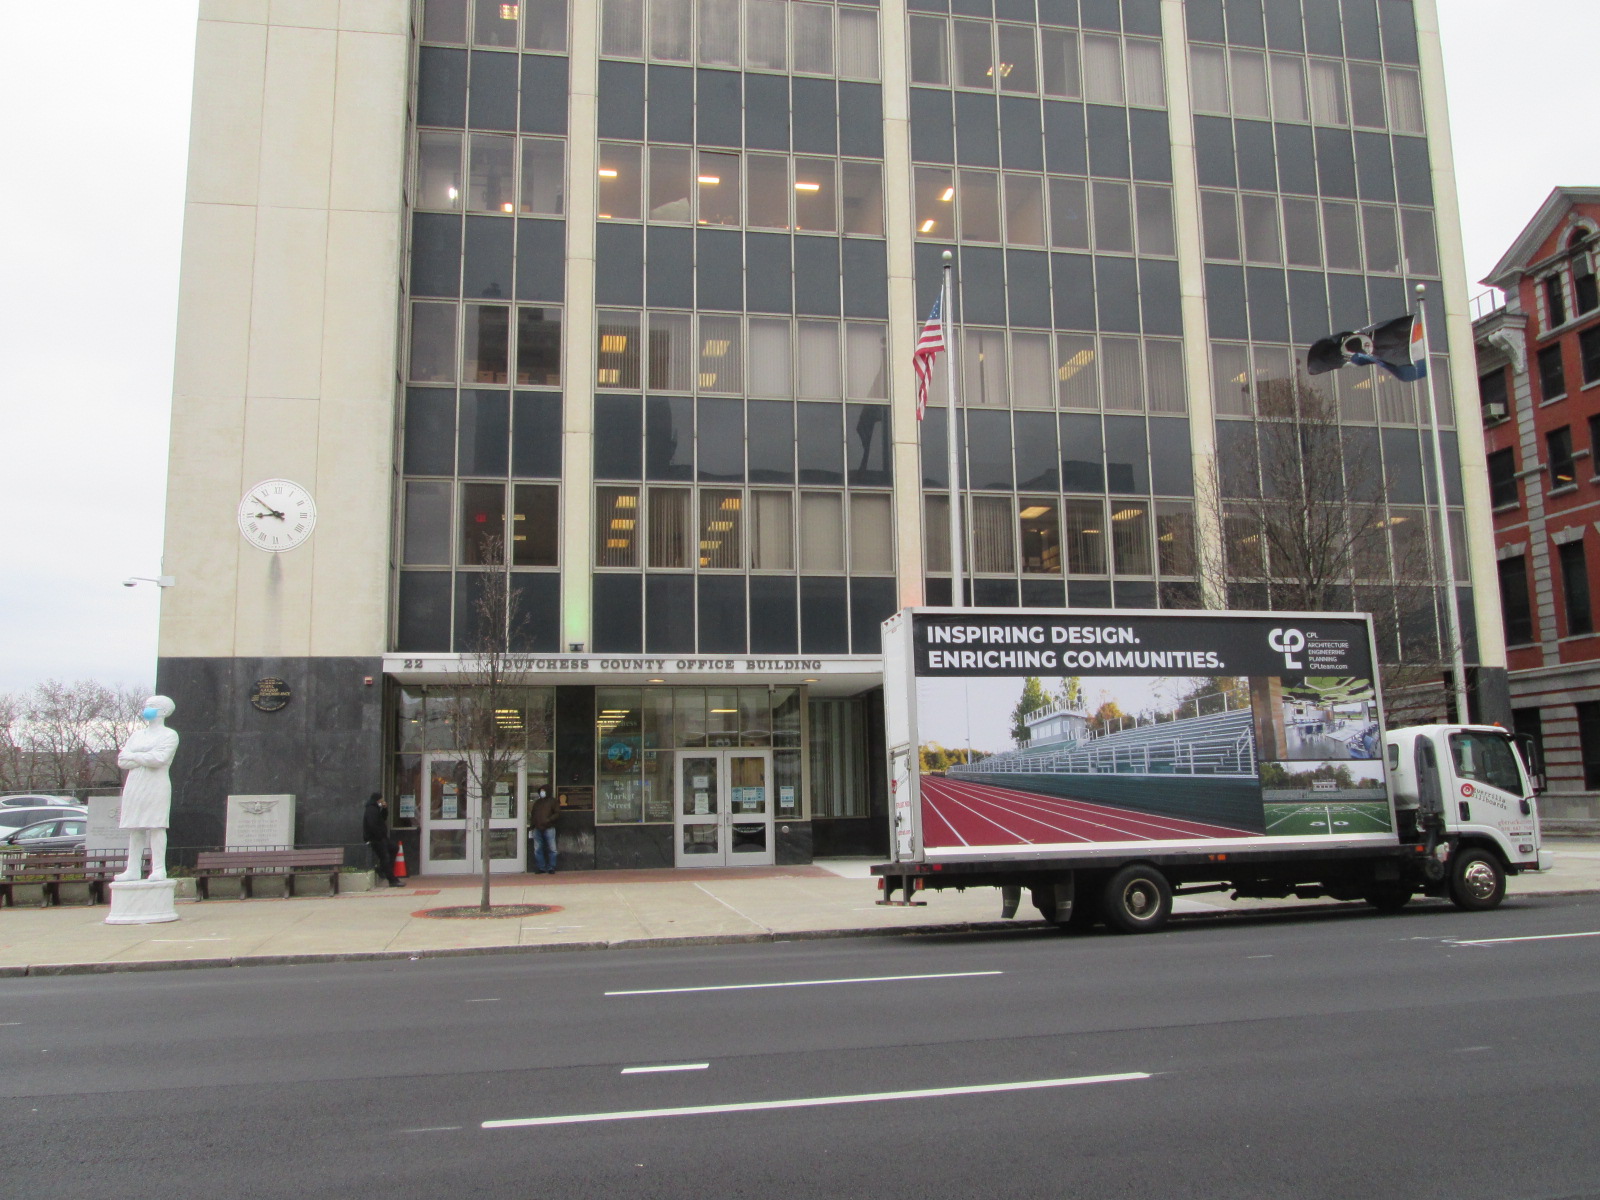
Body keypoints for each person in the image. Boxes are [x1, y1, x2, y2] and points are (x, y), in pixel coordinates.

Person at [113, 696, 181, 882]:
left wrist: (135, 756)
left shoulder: (169, 735)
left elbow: (159, 759)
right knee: (135, 827)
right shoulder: (136, 735)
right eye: (146, 706)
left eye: (152, 706)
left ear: (164, 711)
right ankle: (133, 869)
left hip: (156, 785)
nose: (147, 709)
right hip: (135, 784)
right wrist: (144, 757)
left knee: (157, 826)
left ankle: (159, 868)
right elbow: (122, 761)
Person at [364, 792, 404, 886]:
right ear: (377, 800)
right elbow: (372, 825)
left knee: (394, 848)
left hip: (382, 837)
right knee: (385, 857)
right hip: (376, 839)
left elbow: (383, 818)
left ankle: (382, 869)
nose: (382, 801)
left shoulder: (376, 809)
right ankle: (392, 880)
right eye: (381, 800)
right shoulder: (371, 810)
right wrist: (379, 835)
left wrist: (384, 809)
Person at [530, 786, 558, 874]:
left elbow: (557, 813)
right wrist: (532, 827)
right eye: (541, 791)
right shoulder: (537, 803)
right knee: (538, 849)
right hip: (537, 828)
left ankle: (551, 867)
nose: (542, 793)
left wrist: (548, 820)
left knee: (552, 848)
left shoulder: (553, 801)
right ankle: (541, 867)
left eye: (543, 791)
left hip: (549, 828)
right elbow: (533, 815)